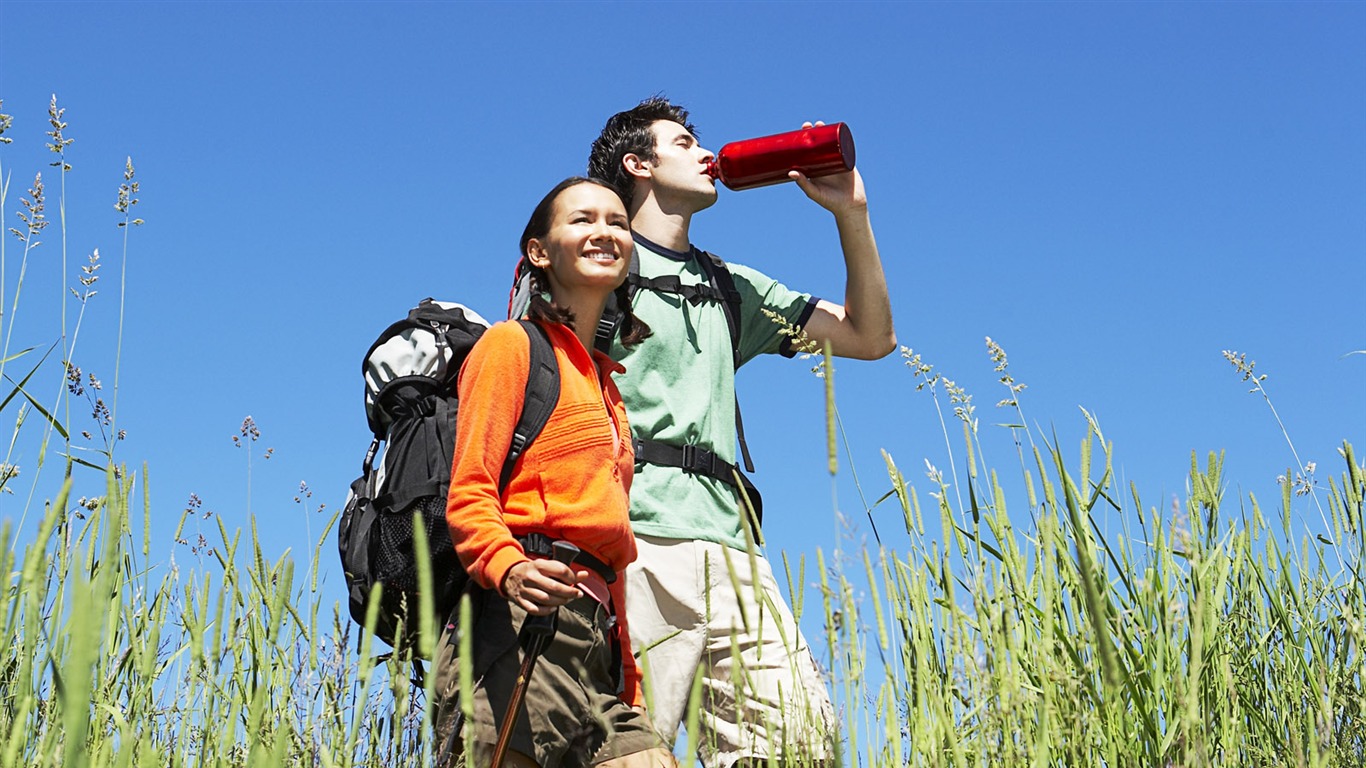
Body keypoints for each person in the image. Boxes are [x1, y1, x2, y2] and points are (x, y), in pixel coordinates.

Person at [587, 98, 896, 767]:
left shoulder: (729, 285)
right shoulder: (593, 265)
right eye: (684, 141)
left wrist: (851, 214)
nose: (707, 152)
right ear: (637, 164)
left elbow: (871, 337)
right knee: (622, 751)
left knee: (797, 746)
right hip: (631, 541)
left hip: (734, 552)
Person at [434, 177, 677, 768]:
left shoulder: (608, 388)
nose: (605, 232)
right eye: (583, 219)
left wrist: (627, 674)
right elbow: (468, 492)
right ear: (540, 252)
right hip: (516, 626)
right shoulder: (511, 346)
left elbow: (610, 545)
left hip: (596, 648)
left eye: (618, 222)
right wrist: (508, 568)